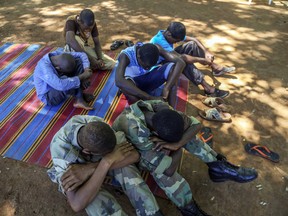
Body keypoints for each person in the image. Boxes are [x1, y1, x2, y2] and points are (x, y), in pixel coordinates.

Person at [112, 100, 258, 215]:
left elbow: (195, 125)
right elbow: (168, 170)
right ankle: (188, 208)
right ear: (155, 132)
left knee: (188, 136)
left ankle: (218, 168)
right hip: (133, 151)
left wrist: (177, 144)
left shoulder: (161, 108)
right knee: (164, 174)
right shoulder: (136, 131)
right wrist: (178, 145)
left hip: (155, 140)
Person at [47, 115, 163, 216]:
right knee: (92, 198)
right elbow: (76, 204)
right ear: (87, 151)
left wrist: (100, 164)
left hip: (94, 161)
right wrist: (106, 162)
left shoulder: (98, 125)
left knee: (125, 166)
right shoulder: (61, 152)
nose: (108, 156)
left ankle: (151, 212)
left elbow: (134, 155)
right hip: (77, 166)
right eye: (105, 154)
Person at [150, 22, 235, 98]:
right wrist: (200, 60)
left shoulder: (168, 33)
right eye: (176, 41)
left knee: (192, 45)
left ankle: (215, 67)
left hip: (169, 56)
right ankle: (208, 88)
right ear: (169, 34)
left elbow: (194, 40)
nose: (176, 43)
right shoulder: (159, 41)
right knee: (183, 62)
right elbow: (181, 58)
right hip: (158, 67)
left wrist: (206, 52)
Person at [114, 42, 185, 108]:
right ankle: (145, 112)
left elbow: (181, 63)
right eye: (146, 66)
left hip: (147, 79)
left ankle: (172, 110)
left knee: (173, 72)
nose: (148, 68)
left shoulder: (156, 49)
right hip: (135, 86)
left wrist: (167, 87)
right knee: (125, 86)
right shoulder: (125, 56)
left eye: (151, 65)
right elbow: (119, 81)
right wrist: (149, 97)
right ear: (138, 57)